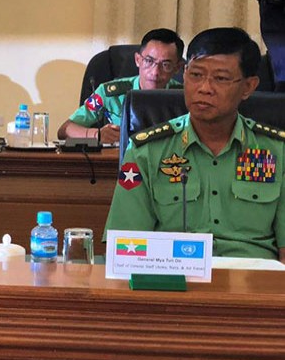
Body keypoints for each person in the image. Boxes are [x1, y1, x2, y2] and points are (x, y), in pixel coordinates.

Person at [105, 27, 285, 262]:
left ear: (248, 87)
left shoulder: (276, 151)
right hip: (174, 279)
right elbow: (124, 249)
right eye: (196, 75)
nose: (204, 88)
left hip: (253, 285)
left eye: (220, 78)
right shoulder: (146, 151)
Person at [58, 28, 185, 144]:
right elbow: (65, 129)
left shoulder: (185, 96)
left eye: (166, 65)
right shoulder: (110, 93)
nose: (155, 72)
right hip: (117, 163)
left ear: (177, 68)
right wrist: (97, 134)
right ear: (138, 60)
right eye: (149, 61)